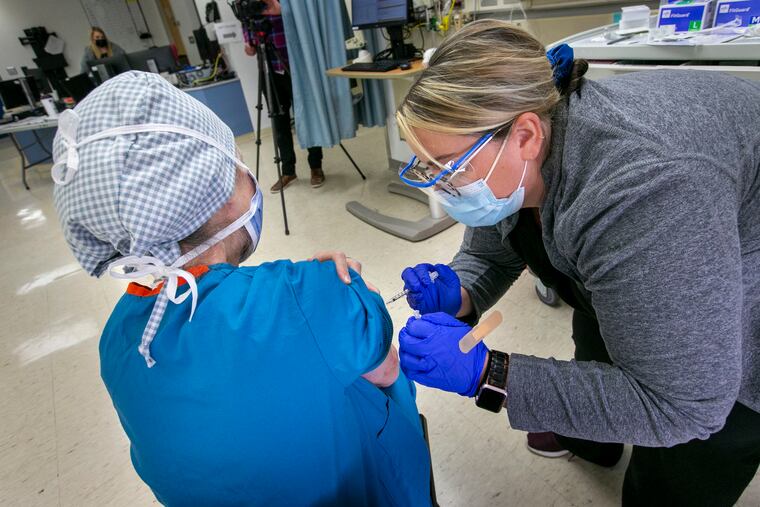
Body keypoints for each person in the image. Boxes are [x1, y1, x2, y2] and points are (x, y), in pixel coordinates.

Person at [333, 20, 760, 506]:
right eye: (426, 168)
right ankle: (588, 437)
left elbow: (682, 404)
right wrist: (463, 290)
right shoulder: (514, 145)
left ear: (527, 136)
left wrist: (489, 373)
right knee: (598, 337)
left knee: (684, 465)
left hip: (737, 277)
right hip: (660, 237)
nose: (440, 187)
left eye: (448, 168)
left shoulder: (645, 194)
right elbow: (488, 248)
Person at [50, 71, 432, 506]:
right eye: (234, 162)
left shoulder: (120, 338)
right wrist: (327, 293)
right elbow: (386, 370)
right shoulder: (316, 294)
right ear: (217, 192)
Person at [242, 0, 326, 192]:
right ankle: (288, 171)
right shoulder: (248, 6)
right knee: (279, 124)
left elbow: (300, 26)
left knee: (307, 116)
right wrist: (249, 46)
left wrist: (279, 10)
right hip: (269, 70)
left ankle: (316, 166)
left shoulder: (284, 4)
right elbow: (250, 45)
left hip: (294, 67)